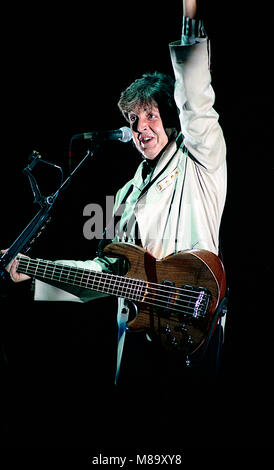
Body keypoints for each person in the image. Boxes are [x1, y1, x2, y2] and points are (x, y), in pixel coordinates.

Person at [3, 0, 227, 391]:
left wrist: (191, 19)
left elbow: (197, 102)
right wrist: (34, 270)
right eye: (133, 120)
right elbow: (107, 273)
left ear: (170, 119)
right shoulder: (125, 194)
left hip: (192, 324)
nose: (141, 128)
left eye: (151, 115)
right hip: (140, 341)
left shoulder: (200, 162)